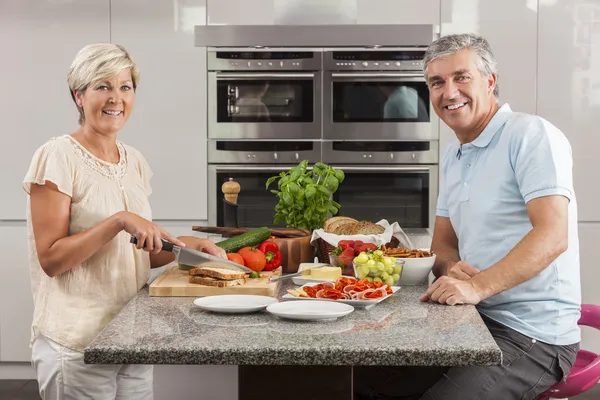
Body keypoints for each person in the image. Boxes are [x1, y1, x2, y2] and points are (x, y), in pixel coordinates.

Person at [355, 33, 581, 400]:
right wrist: (449, 268)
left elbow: (553, 235)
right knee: (359, 384)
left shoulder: (531, 135)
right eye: (437, 82)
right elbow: (443, 246)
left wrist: (476, 286)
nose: (449, 92)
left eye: (462, 77)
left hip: (533, 334)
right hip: (469, 320)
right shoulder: (454, 155)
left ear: (489, 81)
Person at [22, 43, 227, 400]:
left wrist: (187, 246)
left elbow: (136, 254)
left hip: (130, 336)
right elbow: (52, 260)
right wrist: (117, 220)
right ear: (79, 96)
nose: (116, 98)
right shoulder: (57, 156)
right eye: (103, 86)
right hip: (77, 344)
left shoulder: (133, 161)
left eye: (125, 87)